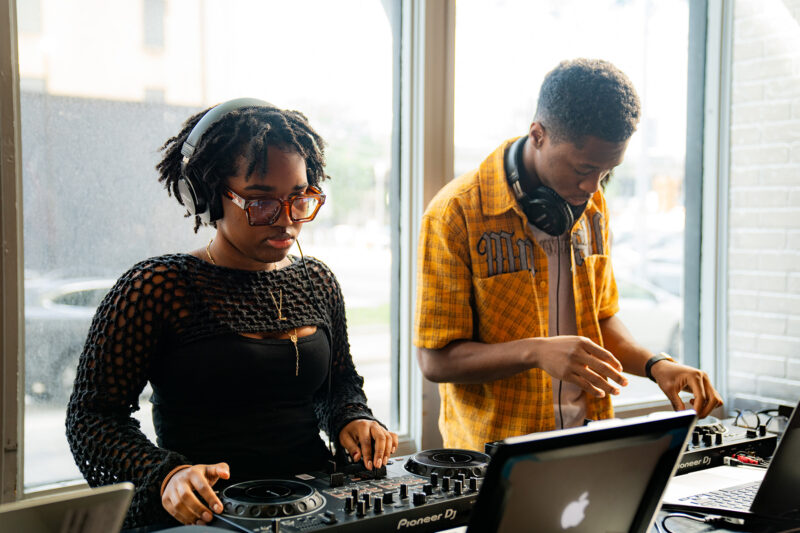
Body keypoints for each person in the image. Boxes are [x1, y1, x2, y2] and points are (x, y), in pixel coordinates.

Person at [66, 98, 398, 529]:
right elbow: (91, 418)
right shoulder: (158, 287)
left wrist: (352, 417)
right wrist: (164, 475)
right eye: (261, 202)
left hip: (314, 507)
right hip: (206, 515)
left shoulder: (316, 280)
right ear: (206, 196)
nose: (286, 221)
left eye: (299, 199)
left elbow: (338, 384)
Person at [414, 59, 723, 452]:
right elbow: (436, 362)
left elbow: (601, 319)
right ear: (538, 135)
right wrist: (535, 351)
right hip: (498, 456)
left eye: (607, 172)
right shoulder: (456, 213)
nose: (593, 187)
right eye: (584, 169)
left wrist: (656, 365)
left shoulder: (593, 206)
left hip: (588, 442)